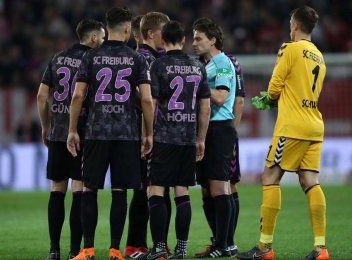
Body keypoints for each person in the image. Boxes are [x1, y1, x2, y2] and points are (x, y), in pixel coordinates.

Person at [236, 6, 328, 260]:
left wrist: (269, 97)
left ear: (295, 26)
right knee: (310, 181)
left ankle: (264, 248)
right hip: (314, 124)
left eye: (290, 23)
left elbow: (275, 86)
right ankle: (321, 248)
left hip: (293, 125)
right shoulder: (319, 55)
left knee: (270, 176)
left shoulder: (289, 48)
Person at [67, 7, 154, 260]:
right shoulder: (136, 59)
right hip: (126, 134)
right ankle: (115, 250)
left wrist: (73, 130)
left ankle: (88, 249)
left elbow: (78, 95)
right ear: (128, 30)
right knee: (119, 191)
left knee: (89, 190)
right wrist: (148, 133)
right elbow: (147, 101)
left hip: (96, 132)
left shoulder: (91, 57)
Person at [135, 20, 211, 260]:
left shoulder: (158, 65)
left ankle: (158, 249)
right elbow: (205, 108)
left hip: (164, 138)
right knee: (182, 192)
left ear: (163, 40)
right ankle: (181, 248)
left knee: (155, 190)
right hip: (188, 138)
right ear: (183, 40)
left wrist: (148, 134)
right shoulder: (197, 66)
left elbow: (153, 103)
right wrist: (201, 139)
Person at [36, 18, 105, 260]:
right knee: (79, 189)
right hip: (83, 134)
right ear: (93, 38)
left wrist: (46, 126)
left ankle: (53, 250)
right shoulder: (95, 60)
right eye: (103, 38)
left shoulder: (58, 57)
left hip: (57, 133)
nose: (104, 42)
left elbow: (42, 96)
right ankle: (75, 250)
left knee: (57, 189)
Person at [125, 11, 171, 258]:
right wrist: (147, 132)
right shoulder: (143, 57)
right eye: (164, 32)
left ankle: (157, 244)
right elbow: (141, 97)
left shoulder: (156, 57)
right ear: (151, 34)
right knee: (144, 190)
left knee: (157, 190)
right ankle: (135, 245)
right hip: (144, 133)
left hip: (157, 133)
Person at [192, 18, 237, 258]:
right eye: (193, 38)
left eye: (198, 38)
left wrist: (194, 88)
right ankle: (219, 241)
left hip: (219, 129)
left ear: (212, 40)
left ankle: (225, 244)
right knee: (207, 188)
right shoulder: (206, 64)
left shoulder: (220, 62)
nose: (194, 43)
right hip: (206, 129)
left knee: (220, 187)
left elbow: (220, 97)